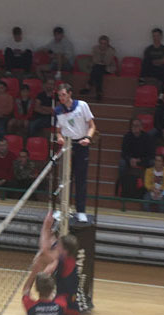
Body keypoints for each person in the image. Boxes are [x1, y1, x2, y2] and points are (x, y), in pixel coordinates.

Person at [54, 83, 96, 221]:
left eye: (63, 95)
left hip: (81, 145)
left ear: (70, 94)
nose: (61, 98)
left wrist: (88, 138)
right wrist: (59, 138)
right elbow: (58, 131)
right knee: (65, 179)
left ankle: (81, 211)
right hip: (67, 146)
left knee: (80, 179)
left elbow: (92, 126)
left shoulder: (82, 105)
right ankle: (63, 209)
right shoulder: (58, 110)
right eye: (59, 95)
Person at [81, 35, 116, 101]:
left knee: (97, 69)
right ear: (99, 43)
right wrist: (100, 61)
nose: (103, 45)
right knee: (98, 71)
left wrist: (100, 61)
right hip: (97, 67)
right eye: (101, 43)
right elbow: (95, 60)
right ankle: (99, 92)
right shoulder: (95, 48)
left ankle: (88, 86)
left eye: (104, 43)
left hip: (108, 68)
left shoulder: (111, 50)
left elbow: (107, 62)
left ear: (107, 44)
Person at [140, 27, 164, 92]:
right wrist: (157, 61)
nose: (155, 38)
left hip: (160, 70)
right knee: (145, 62)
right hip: (150, 70)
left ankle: (161, 95)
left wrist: (153, 61)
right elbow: (146, 62)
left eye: (157, 35)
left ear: (161, 36)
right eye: (154, 36)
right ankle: (141, 83)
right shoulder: (148, 49)